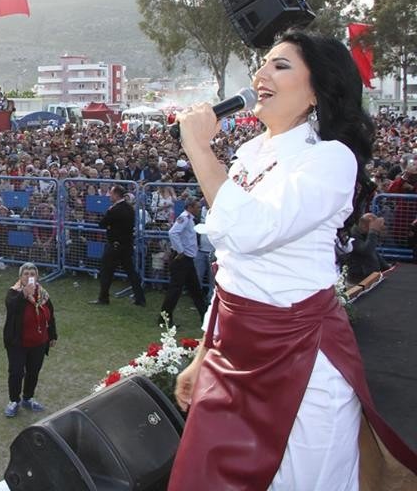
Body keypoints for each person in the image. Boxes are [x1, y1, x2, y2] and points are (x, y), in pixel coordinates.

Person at [169, 30, 417, 490]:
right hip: (233, 354)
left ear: (317, 92)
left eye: (280, 66)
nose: (261, 74)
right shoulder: (248, 154)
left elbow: (252, 233)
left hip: (300, 359)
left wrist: (200, 150)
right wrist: (204, 353)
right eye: (262, 63)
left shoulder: (330, 160)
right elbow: (233, 273)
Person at [2, 262, 57, 418]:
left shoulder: (43, 294)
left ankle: (28, 398)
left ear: (37, 277)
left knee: (33, 371)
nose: (29, 276)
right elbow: (12, 306)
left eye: (32, 274)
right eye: (26, 274)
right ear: (20, 277)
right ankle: (14, 401)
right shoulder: (14, 293)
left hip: (39, 341)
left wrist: (52, 335)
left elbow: (50, 315)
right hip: (18, 342)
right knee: (16, 372)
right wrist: (24, 294)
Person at [91, 185, 145, 306]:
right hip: (126, 245)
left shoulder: (114, 209)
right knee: (131, 272)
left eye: (111, 194)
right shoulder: (129, 208)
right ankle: (140, 298)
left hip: (114, 245)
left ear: (116, 195)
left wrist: (109, 218)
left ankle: (103, 298)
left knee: (106, 272)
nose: (110, 196)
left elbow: (102, 224)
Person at [159, 198, 207, 327]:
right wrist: (180, 251)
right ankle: (165, 318)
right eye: (197, 207)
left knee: (195, 289)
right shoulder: (184, 218)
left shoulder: (189, 219)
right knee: (176, 290)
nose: (198, 209)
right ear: (190, 207)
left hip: (187, 259)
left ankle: (205, 316)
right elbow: (173, 232)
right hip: (182, 259)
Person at [343, 214, 391, 283]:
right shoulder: (352, 235)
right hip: (359, 279)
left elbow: (373, 252)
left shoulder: (365, 234)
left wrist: (386, 267)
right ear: (363, 225)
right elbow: (366, 250)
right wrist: (373, 231)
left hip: (372, 276)